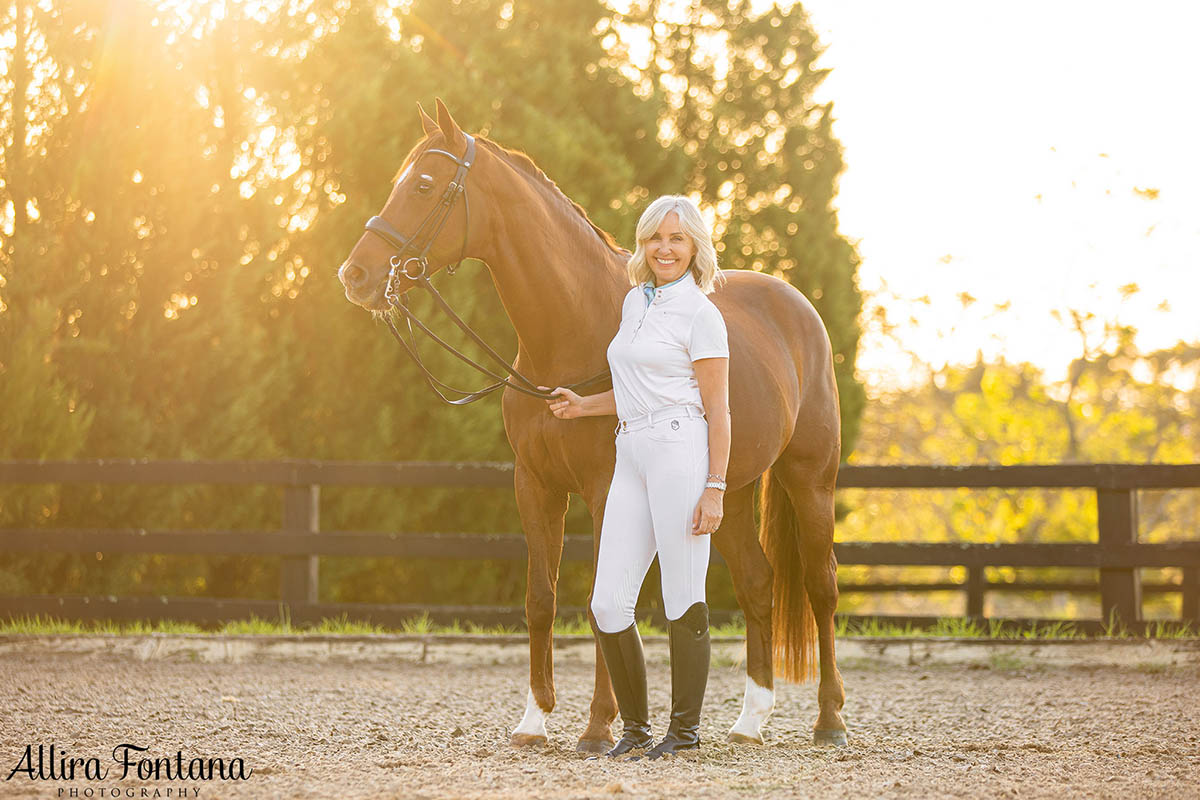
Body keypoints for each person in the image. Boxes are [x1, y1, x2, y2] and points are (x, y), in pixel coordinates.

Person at [542, 195, 730, 760]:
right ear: (644, 246)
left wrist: (715, 486)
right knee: (606, 604)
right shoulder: (633, 304)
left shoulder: (702, 314)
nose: (664, 248)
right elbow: (631, 388)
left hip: (680, 449)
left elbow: (718, 409)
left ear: (694, 246)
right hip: (631, 449)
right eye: (655, 238)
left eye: (676, 239)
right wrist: (583, 407)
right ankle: (638, 729)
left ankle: (685, 734)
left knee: (681, 593)